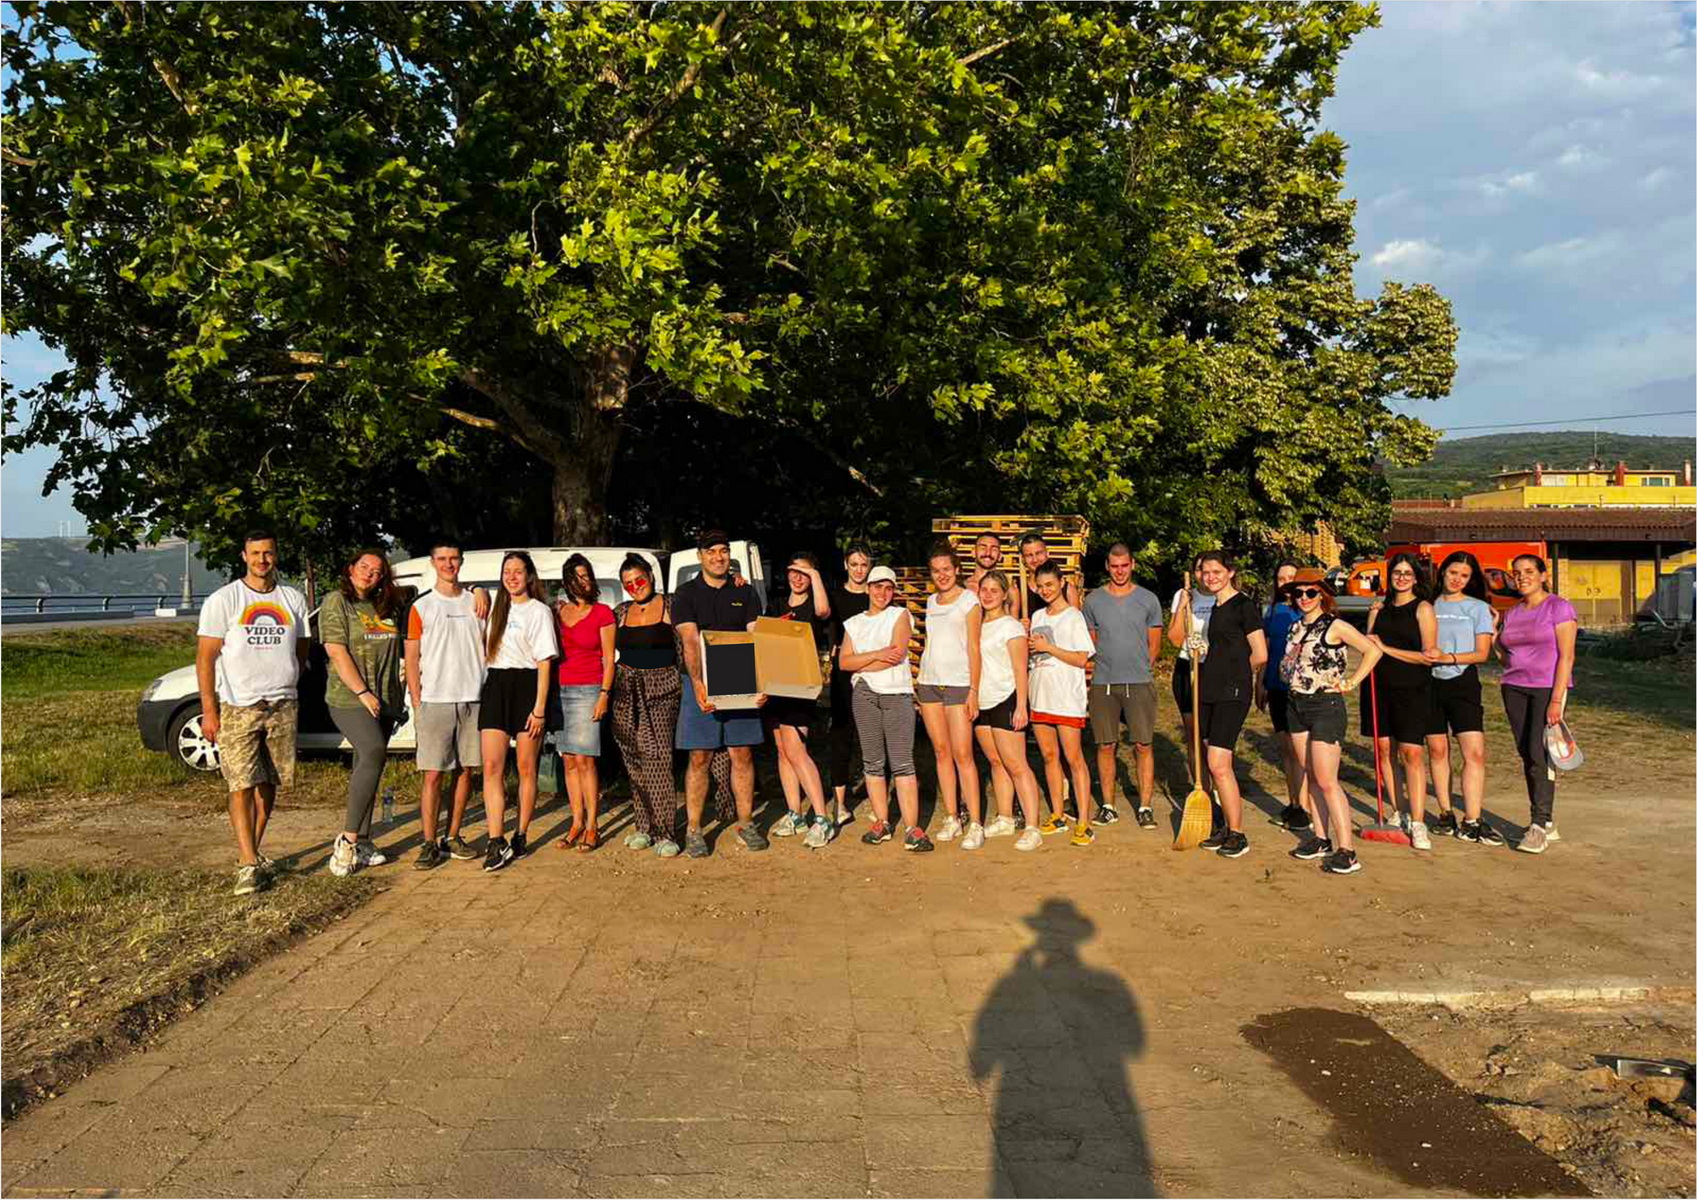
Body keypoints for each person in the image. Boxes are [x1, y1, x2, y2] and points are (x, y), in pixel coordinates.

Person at [195, 530, 311, 896]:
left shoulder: (292, 598)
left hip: (282, 705)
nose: (262, 560)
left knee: (269, 783)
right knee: (241, 784)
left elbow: (302, 648)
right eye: (255, 553)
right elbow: (205, 658)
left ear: (276, 556)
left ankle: (254, 850)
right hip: (240, 706)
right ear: (244, 557)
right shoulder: (224, 599)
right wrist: (209, 711)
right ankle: (247, 864)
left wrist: (289, 678)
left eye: (268, 553)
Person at [1278, 569, 1383, 876]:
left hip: (1325, 704)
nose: (1304, 598)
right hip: (1295, 703)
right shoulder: (1295, 626)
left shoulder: (1335, 625)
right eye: (1298, 593)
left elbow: (1372, 651)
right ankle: (1321, 838)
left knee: (1326, 780)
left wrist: (1351, 681)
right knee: (1310, 774)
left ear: (1322, 594)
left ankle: (1347, 849)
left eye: (1311, 592)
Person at [672, 528, 767, 857]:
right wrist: (698, 683)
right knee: (700, 757)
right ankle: (694, 829)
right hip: (699, 678)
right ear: (700, 556)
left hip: (740, 676)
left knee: (742, 753)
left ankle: (746, 823)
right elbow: (689, 640)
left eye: (723, 551)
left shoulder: (746, 592)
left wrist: (762, 682)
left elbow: (756, 638)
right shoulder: (685, 594)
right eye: (711, 551)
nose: (718, 557)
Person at [1175, 551, 1266, 859]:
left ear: (1230, 572)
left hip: (1232, 693)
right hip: (1209, 689)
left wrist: (1237, 674)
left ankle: (1238, 833)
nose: (1210, 577)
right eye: (1206, 572)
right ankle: (1226, 826)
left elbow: (1260, 653)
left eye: (1217, 571)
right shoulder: (1216, 607)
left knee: (1218, 763)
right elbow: (1226, 647)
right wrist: (1205, 651)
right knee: (1209, 758)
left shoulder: (1243, 606)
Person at [321, 548, 405, 877]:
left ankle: (365, 840)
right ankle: (347, 840)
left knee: (367, 765)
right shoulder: (337, 602)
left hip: (385, 698)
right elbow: (336, 651)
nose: (369, 573)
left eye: (377, 570)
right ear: (351, 567)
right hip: (350, 697)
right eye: (364, 566)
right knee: (373, 751)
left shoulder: (386, 606)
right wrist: (362, 692)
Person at [405, 541, 486, 868]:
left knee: (466, 770)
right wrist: (417, 701)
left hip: (472, 697)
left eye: (454, 558)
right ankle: (428, 842)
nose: (448, 564)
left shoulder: (477, 602)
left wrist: (479, 589)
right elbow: (412, 658)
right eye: (442, 559)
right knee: (433, 774)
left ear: (461, 561)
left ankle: (452, 836)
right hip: (434, 700)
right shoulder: (421, 606)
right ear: (433, 562)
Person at [477, 550, 558, 872]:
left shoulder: (539, 611)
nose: (511, 577)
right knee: (491, 766)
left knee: (526, 767)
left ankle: (521, 834)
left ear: (529, 576)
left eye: (518, 571)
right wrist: (476, 590)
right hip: (496, 686)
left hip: (528, 687)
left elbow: (544, 662)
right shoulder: (494, 608)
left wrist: (539, 708)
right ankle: (495, 840)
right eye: (506, 571)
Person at [842, 566, 930, 851]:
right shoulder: (854, 623)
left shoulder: (900, 615)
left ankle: (912, 828)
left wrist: (862, 662)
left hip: (895, 693)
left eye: (888, 588)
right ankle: (882, 821)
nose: (883, 593)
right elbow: (844, 662)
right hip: (864, 694)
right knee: (873, 761)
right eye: (877, 586)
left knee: (902, 761)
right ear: (868, 588)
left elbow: (896, 654)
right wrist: (877, 654)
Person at [1497, 554, 1578, 854]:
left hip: (1546, 689)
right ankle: (1547, 821)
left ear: (1543, 575)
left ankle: (1538, 825)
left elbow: (1567, 657)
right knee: (1527, 754)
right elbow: (1506, 657)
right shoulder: (1512, 613)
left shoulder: (1559, 607)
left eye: (1529, 571)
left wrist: (1557, 699)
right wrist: (1493, 636)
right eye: (1517, 572)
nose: (1522, 577)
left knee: (1538, 752)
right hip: (1514, 688)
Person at [1081, 543, 1164, 830]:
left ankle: (1145, 806)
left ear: (1132, 565)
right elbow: (1091, 643)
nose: (1119, 571)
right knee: (1106, 745)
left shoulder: (1148, 599)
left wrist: (1140, 668)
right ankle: (1108, 806)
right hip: (1104, 682)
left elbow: (1154, 645)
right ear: (1107, 566)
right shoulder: (1093, 601)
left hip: (1139, 682)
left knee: (1143, 744)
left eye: (1124, 565)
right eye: (1114, 566)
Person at [1424, 551, 1503, 846]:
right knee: (1437, 751)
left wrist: (1448, 657)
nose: (1457, 579)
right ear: (1442, 572)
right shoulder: (1427, 605)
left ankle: (1472, 819)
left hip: (1463, 683)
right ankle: (1446, 814)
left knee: (1474, 753)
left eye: (1465, 576)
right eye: (1453, 572)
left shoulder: (1478, 608)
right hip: (1428, 684)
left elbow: (1482, 653)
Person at [1363, 553, 1440, 850]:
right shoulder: (1379, 609)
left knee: (1412, 753)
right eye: (1397, 572)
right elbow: (1369, 646)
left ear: (1416, 578)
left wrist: (1386, 648)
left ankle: (1418, 822)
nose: (1402, 577)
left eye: (1408, 573)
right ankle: (1399, 811)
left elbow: (1428, 657)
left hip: (1412, 688)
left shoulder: (1423, 608)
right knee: (1384, 750)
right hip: (1379, 687)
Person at [610, 555, 685, 857]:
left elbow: (690, 641)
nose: (635, 587)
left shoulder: (672, 605)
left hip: (662, 689)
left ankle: (666, 832)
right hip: (625, 690)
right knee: (633, 758)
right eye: (628, 584)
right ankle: (644, 826)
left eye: (639, 580)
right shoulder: (621, 611)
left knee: (657, 757)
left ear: (651, 577)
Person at [765, 551, 835, 849]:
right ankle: (795, 813)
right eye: (792, 571)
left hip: (800, 687)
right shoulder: (776, 604)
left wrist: (814, 573)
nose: (797, 577)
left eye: (804, 572)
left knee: (797, 751)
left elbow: (823, 611)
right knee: (783, 751)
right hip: (774, 686)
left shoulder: (815, 605)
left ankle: (822, 818)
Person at [917, 541, 985, 849]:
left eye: (946, 569)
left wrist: (973, 689)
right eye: (936, 571)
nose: (942, 575)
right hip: (929, 683)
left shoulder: (969, 600)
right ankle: (952, 816)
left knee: (963, 755)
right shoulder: (930, 601)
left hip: (958, 684)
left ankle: (976, 823)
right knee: (941, 753)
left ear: (957, 570)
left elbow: (974, 646)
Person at [971, 570, 1045, 852]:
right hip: (982, 700)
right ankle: (1005, 817)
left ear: (1005, 595)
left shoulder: (1011, 627)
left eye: (994, 590)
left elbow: (1019, 668)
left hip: (1007, 698)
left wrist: (1022, 705)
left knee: (1016, 764)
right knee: (996, 761)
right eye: (984, 589)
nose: (988, 595)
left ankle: (1032, 826)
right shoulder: (977, 625)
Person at [1028, 562, 1097, 847]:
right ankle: (1057, 814)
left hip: (1066, 697)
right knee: (1048, 756)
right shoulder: (1036, 616)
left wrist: (1049, 648)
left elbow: (1082, 659)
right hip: (1040, 694)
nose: (1045, 590)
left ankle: (1084, 821)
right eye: (1040, 586)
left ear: (1061, 583)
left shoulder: (1073, 617)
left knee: (1073, 757)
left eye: (1050, 585)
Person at [551, 554, 615, 853]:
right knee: (568, 760)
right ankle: (576, 821)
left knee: (586, 760)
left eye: (586, 575)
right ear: (567, 581)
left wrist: (604, 693)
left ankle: (592, 826)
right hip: (559, 690)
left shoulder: (602, 613)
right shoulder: (557, 612)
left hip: (589, 689)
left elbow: (609, 658)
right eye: (576, 576)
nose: (582, 581)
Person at [1257, 561, 1314, 833]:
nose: (1286, 582)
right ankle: (1293, 803)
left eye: (1291, 577)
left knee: (1300, 750)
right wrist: (1260, 682)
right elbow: (1266, 649)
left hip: (1299, 689)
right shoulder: (1272, 610)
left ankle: (1306, 807)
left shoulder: (1307, 609)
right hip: (1275, 685)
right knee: (1286, 749)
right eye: (1281, 578)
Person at [827, 544, 873, 825]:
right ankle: (840, 803)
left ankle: (877, 797)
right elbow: (827, 626)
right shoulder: (835, 597)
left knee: (873, 736)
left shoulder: (876, 596)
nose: (858, 570)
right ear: (846, 565)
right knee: (841, 736)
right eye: (854, 564)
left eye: (863, 565)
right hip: (843, 673)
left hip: (872, 672)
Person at [1165, 555, 1216, 775]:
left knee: (1213, 738)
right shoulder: (1183, 595)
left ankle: (1219, 785)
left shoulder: (1225, 596)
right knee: (1193, 733)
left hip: (1214, 669)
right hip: (1188, 667)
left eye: (1208, 569)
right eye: (1198, 569)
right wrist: (1183, 606)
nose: (1204, 575)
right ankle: (1200, 785)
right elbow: (1175, 639)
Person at [1018, 532, 1081, 623]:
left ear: (1047, 553)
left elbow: (1075, 623)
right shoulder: (1016, 590)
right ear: (1023, 559)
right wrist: (1019, 625)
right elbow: (1008, 623)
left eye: (1038, 553)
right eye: (1029, 555)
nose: (1035, 559)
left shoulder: (1067, 590)